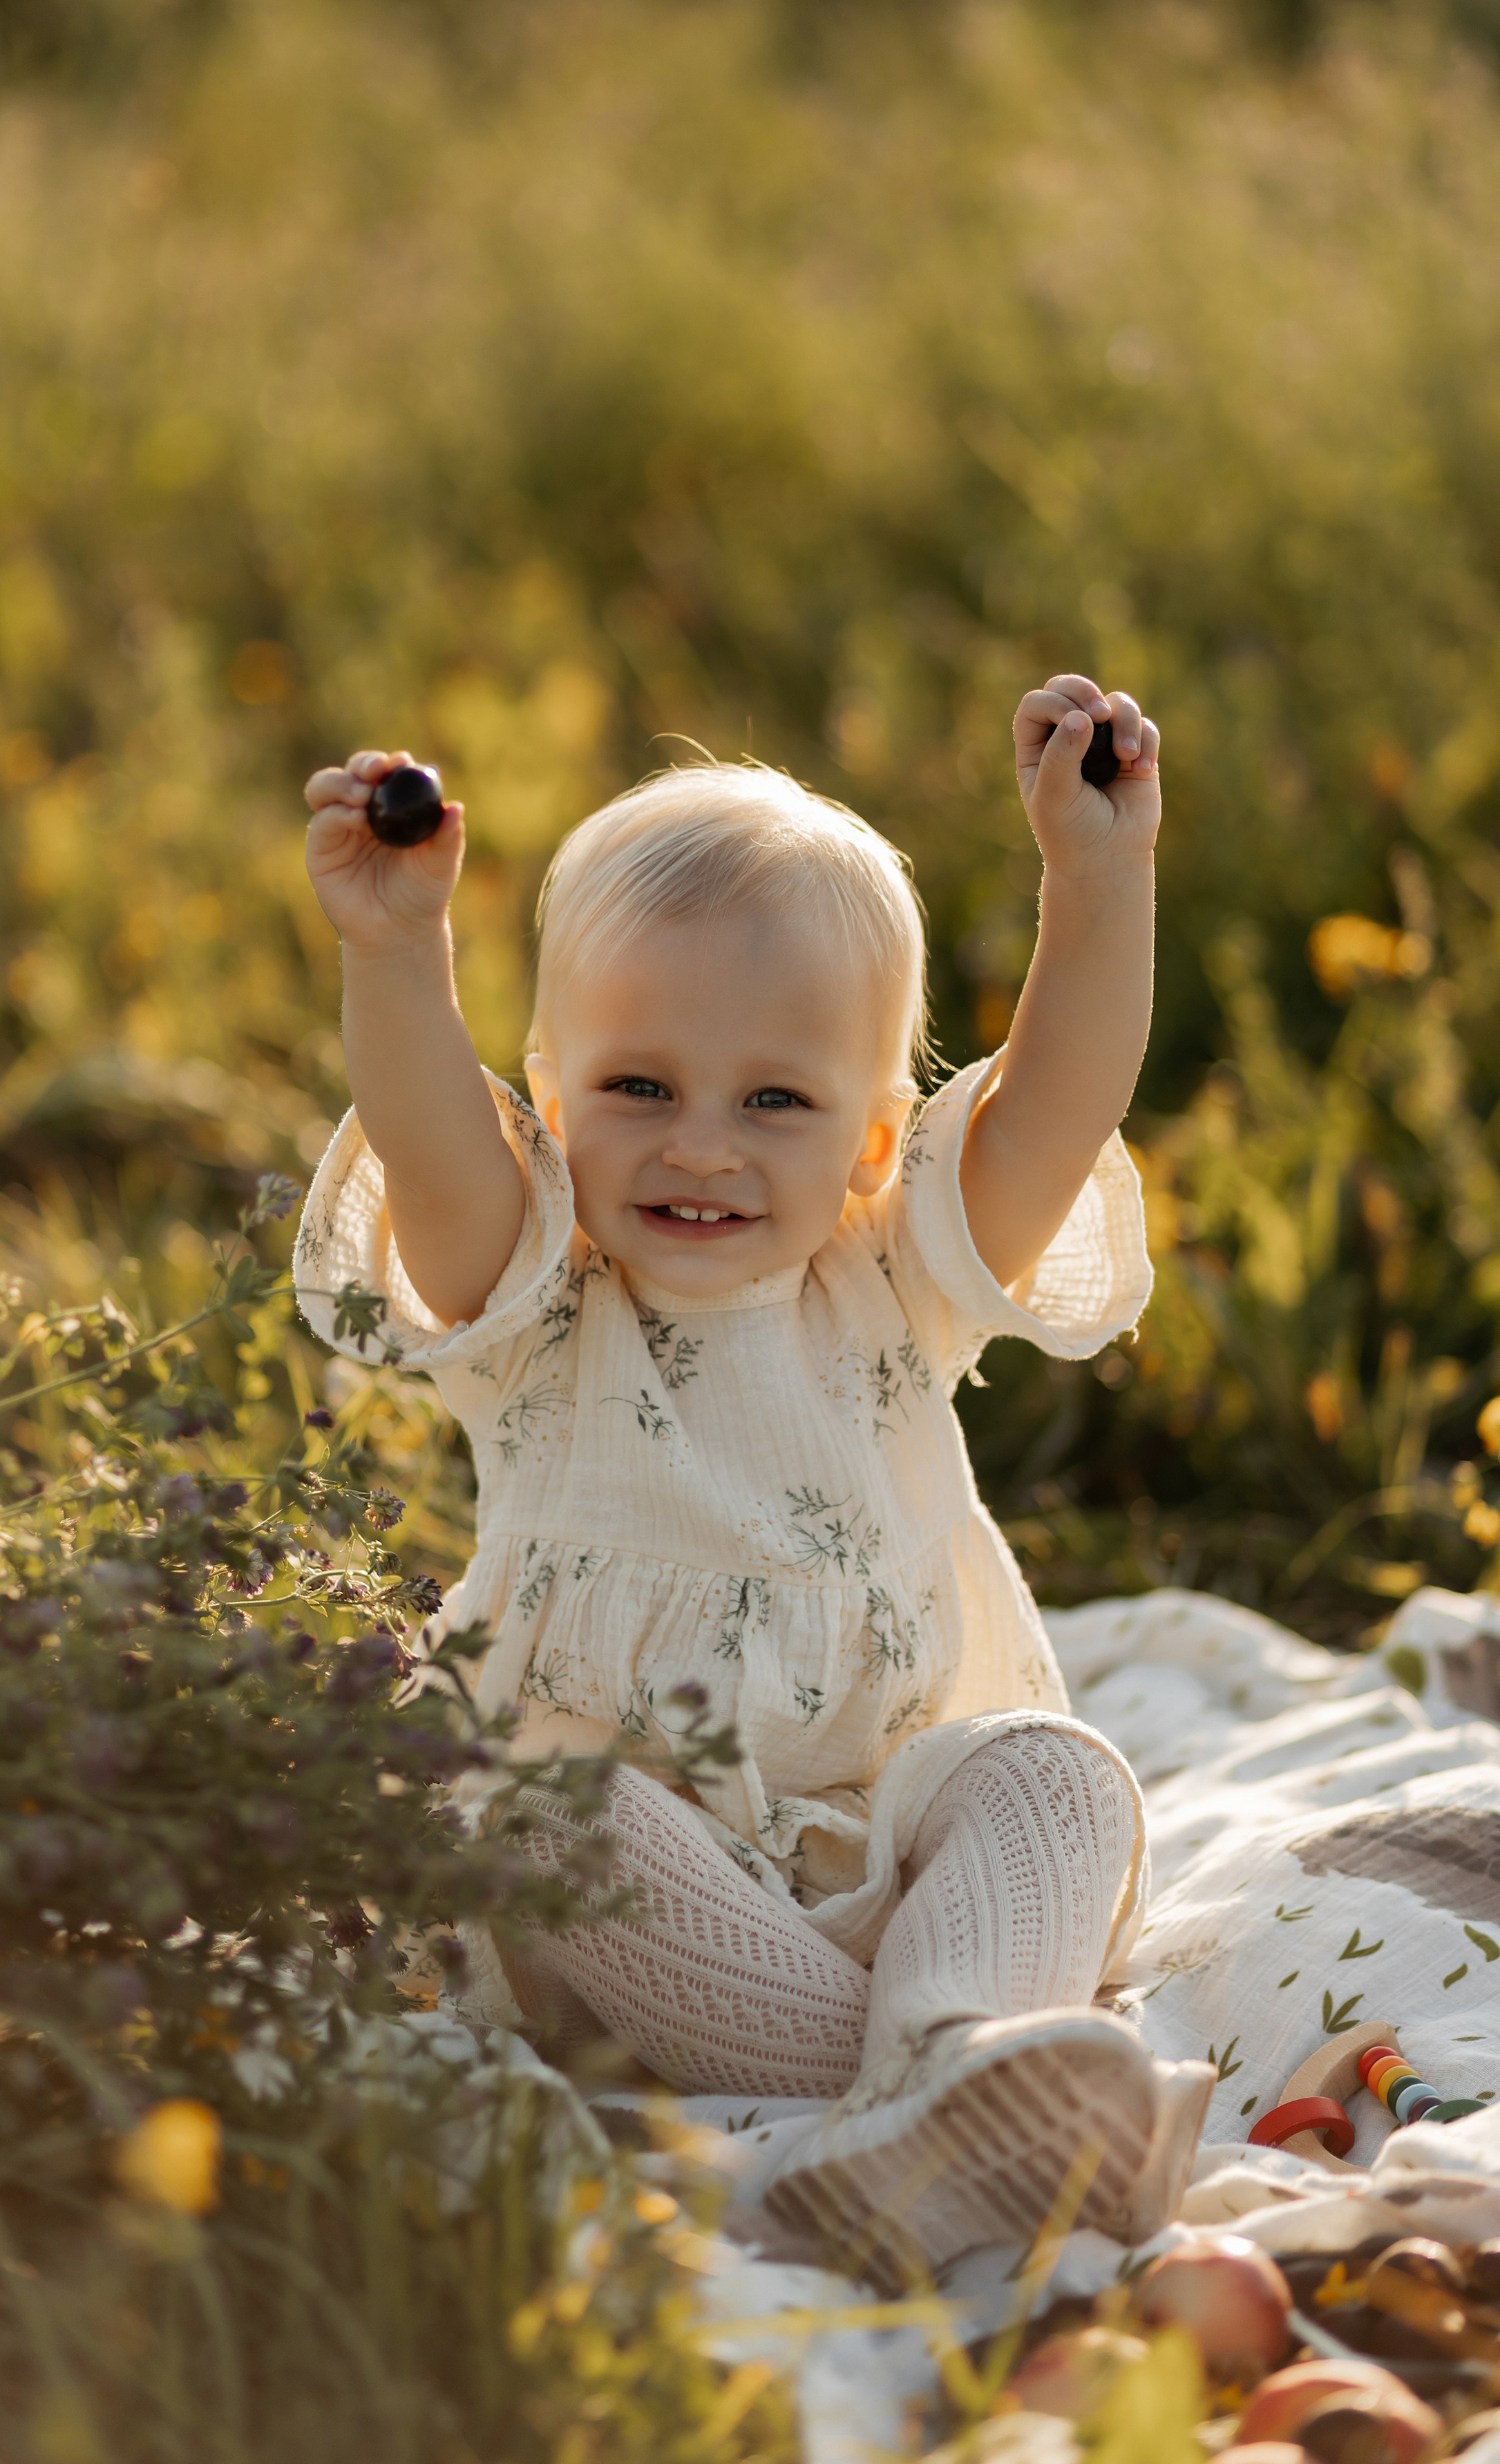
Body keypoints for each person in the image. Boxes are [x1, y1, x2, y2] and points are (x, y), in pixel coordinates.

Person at [294, 682, 1213, 2281]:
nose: (700, 1148)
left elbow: (1058, 1095)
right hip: (635, 1918)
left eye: (772, 1102)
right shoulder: (535, 1301)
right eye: (637, 1089)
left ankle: (957, 2058)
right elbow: (428, 1134)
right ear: (549, 1096)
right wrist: (394, 953)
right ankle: (923, 2110)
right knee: (539, 1815)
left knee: (1056, 1775)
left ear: (871, 1140)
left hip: (879, 1860)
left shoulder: (894, 1279)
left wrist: (1095, 877)